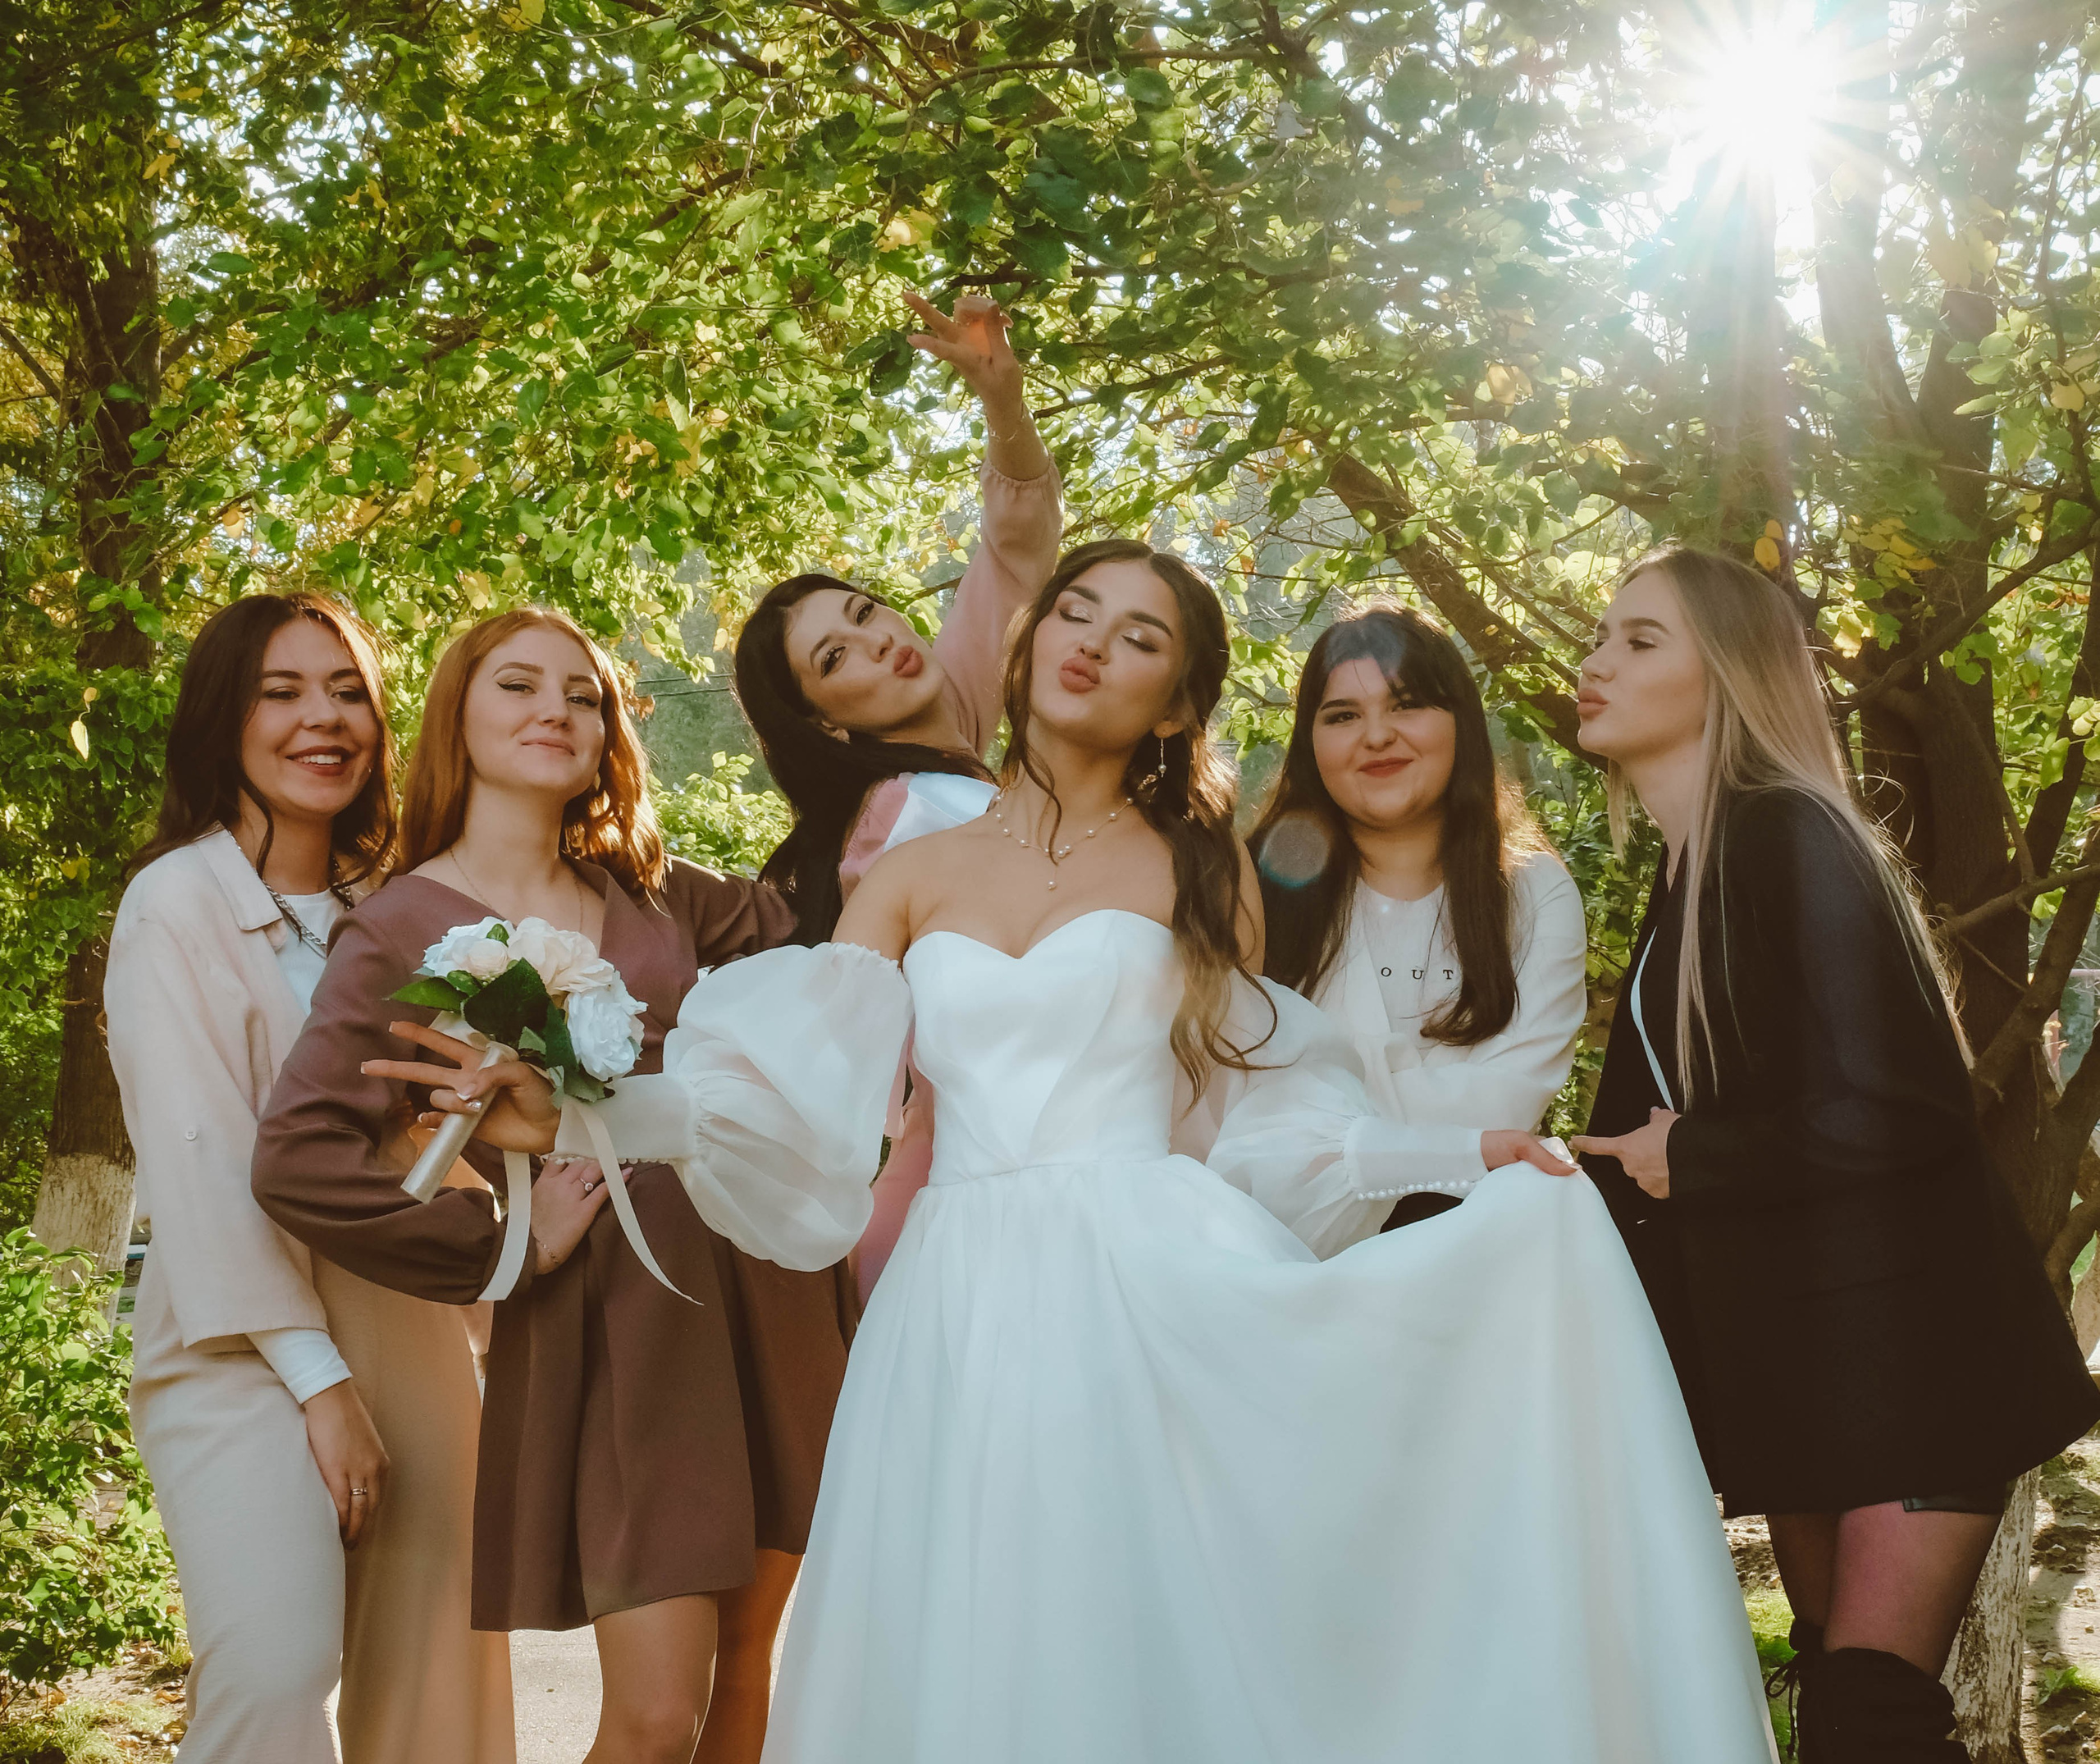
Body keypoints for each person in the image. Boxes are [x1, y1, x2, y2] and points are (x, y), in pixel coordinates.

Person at [398, 542, 1778, 1762]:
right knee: (967, 1643)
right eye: (1076, 611)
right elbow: (784, 1098)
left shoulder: (1200, 871)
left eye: (1141, 637)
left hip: (1147, 1278)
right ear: (1028, 641)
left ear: (1174, 701)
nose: (1093, 645)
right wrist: (585, 1112)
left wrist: (1460, 1152)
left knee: (1132, 1638)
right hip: (953, 1306)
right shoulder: (908, 878)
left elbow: (1252, 1113)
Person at [251, 608, 846, 1764]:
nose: (556, 712)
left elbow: (836, 942)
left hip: (768, 1296)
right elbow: (298, 1153)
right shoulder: (404, 926)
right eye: (519, 685)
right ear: (458, 721)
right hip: (621, 1324)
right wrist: (498, 1251)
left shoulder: (664, 892)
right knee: (655, 1712)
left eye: (583, 696)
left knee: (754, 1687)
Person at [1565, 546, 2100, 1762]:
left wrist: (1691, 1155)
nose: (1597, 661)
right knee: (1846, 1705)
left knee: (1868, 1720)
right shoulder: (1693, 865)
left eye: (1642, 639)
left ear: (1733, 674)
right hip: (1812, 1369)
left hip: (1918, 1360)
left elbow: (1908, 1108)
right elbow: (1645, 1146)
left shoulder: (1787, 835)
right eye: (1602, 633)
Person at [108, 593, 511, 1762]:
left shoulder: (398, 912)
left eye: (347, 692)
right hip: (244, 1346)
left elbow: (443, 1141)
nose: (321, 719)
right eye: (282, 691)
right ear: (223, 718)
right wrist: (321, 1385)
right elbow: (199, 1160)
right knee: (276, 1668)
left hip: (412, 1329)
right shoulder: (173, 903)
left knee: (435, 1672)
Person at [733, 290, 1060, 1300]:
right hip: (992, 1183)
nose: (879, 639)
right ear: (828, 721)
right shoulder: (911, 814)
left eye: (870, 612)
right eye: (838, 655)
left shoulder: (954, 725)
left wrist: (1001, 401)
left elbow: (1012, 557)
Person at [1251, 603, 1588, 1245]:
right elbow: (1242, 1112)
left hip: (1464, 1251)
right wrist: (1430, 1106)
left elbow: (1503, 1109)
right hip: (1280, 1249)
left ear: (1460, 721)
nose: (1376, 736)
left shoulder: (1533, 891)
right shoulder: (1254, 890)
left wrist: (1338, 1107)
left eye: (1406, 705)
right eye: (1343, 715)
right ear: (1309, 742)